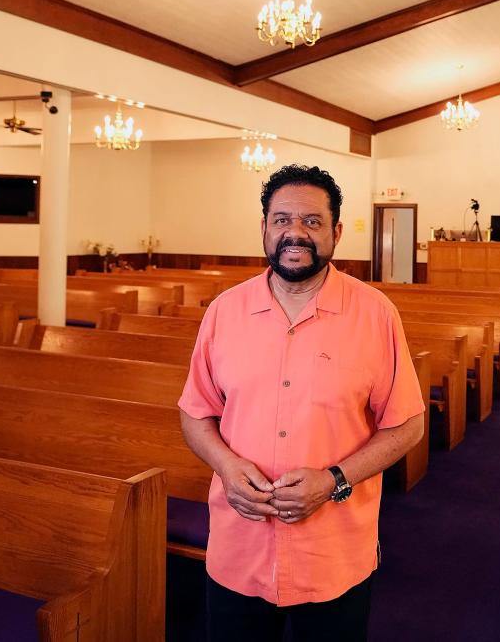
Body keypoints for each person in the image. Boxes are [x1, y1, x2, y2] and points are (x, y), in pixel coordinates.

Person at [179, 164, 425, 642]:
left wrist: (334, 480)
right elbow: (196, 412)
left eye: (312, 222)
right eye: (282, 219)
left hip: (333, 552)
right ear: (265, 229)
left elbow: (407, 425)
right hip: (238, 546)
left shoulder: (375, 314)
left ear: (335, 231)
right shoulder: (224, 312)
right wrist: (227, 467)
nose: (295, 232)